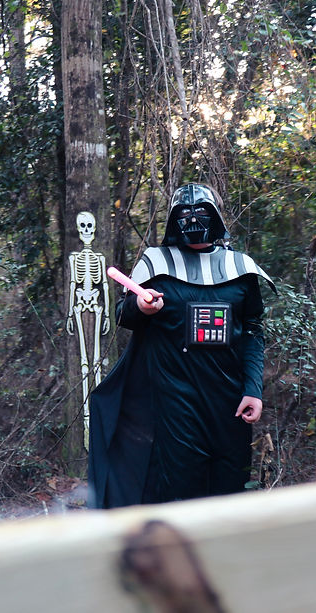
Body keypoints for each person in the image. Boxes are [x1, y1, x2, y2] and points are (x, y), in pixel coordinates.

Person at [88, 183, 275, 508]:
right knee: (181, 492)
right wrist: (141, 306)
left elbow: (252, 331)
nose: (192, 220)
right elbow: (123, 314)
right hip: (174, 400)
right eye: (184, 213)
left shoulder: (241, 268)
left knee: (230, 490)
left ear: (215, 214)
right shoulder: (155, 263)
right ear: (174, 218)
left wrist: (253, 389)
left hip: (228, 400)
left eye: (200, 212)